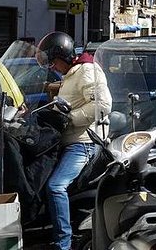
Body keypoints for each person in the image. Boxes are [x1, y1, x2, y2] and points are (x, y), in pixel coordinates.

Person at [37, 32, 112, 250]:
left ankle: (63, 244)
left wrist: (69, 119)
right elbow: (73, 101)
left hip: (83, 143)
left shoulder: (87, 70)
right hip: (67, 140)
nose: (52, 67)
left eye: (53, 62)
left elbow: (103, 105)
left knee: (55, 186)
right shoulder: (72, 73)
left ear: (64, 56)